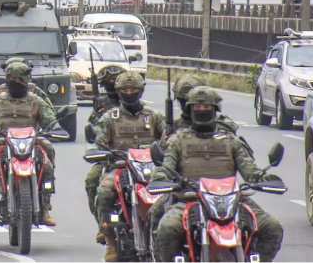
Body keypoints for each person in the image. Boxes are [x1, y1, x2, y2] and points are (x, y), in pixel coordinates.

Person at [154, 86, 284, 263]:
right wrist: (161, 177)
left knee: (272, 227)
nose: (202, 110)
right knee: (167, 228)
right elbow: (166, 166)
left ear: (215, 109)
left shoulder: (231, 141)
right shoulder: (177, 140)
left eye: (207, 107)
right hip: (189, 201)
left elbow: (249, 170)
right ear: (190, 110)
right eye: (197, 107)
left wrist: (262, 178)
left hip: (232, 202)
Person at [93, 71, 166, 262]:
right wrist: (104, 152)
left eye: (133, 89)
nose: (129, 92)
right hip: (120, 168)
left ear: (140, 91)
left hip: (150, 169)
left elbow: (167, 139)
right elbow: (99, 141)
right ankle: (109, 239)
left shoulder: (153, 116)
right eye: (125, 90)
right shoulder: (111, 117)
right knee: (104, 191)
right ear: (118, 91)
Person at [0, 62, 61, 226]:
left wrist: (56, 128)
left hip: (32, 142)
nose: (17, 83)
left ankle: (44, 207)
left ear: (26, 81)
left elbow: (50, 119)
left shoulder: (36, 100)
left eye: (20, 80)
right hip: (4, 143)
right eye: (13, 79)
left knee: (47, 165)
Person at [83, 66, 124, 216]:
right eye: (109, 81)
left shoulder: (143, 111)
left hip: (138, 159)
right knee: (92, 180)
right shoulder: (101, 106)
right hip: (110, 156)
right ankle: (101, 217)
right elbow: (95, 132)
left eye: (115, 80)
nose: (112, 83)